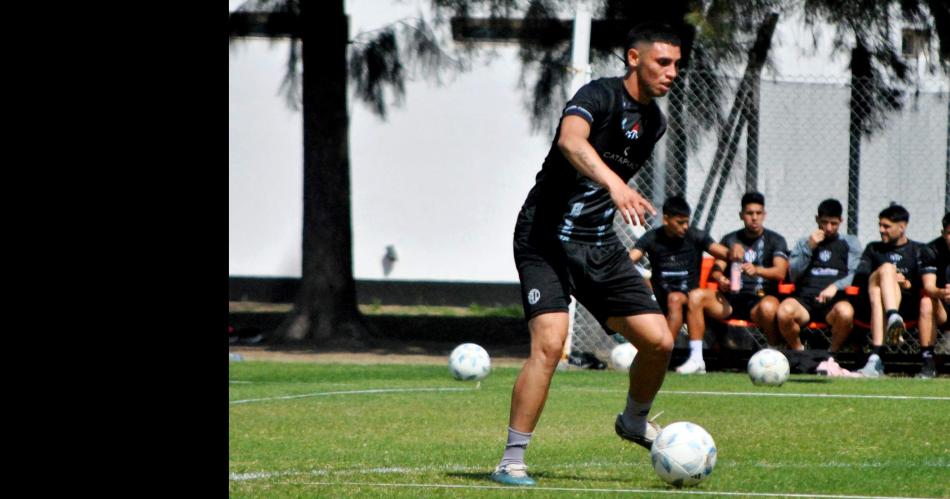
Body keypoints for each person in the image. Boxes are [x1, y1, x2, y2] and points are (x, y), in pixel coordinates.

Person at [491, 22, 682, 486]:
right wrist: (616, 184)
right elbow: (571, 141)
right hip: (544, 240)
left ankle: (634, 420)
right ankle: (511, 460)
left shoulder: (653, 122)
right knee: (551, 345)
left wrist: (615, 193)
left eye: (677, 64)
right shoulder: (597, 95)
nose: (673, 72)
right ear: (634, 59)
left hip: (598, 244)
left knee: (660, 342)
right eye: (663, 62)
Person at [678, 192, 789, 374]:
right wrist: (721, 279)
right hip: (730, 300)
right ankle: (697, 359)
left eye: (758, 213)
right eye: (749, 213)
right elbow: (717, 268)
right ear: (741, 215)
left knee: (769, 307)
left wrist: (757, 270)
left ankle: (774, 356)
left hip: (759, 300)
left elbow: (780, 271)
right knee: (696, 296)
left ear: (764, 215)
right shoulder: (730, 239)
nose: (754, 218)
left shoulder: (775, 240)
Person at [629, 195, 729, 340]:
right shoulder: (652, 238)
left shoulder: (695, 236)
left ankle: (665, 351)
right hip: (661, 301)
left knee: (675, 299)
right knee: (668, 299)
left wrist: (734, 252)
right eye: (680, 222)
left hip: (690, 300)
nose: (685, 227)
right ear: (666, 219)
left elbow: (721, 252)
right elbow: (631, 258)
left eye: (687, 222)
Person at [776, 199, 862, 359]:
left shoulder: (850, 243)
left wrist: (836, 286)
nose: (829, 228)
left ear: (841, 221)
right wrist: (809, 248)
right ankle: (800, 354)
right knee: (783, 312)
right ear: (817, 219)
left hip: (833, 303)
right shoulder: (804, 242)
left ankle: (831, 356)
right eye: (824, 222)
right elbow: (793, 273)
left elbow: (854, 274)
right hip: (804, 301)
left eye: (834, 223)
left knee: (846, 312)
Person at [853, 204, 929, 378]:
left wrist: (905, 284)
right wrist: (886, 275)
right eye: (880, 225)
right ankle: (893, 316)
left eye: (886, 226)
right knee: (886, 270)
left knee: (879, 291)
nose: (881, 230)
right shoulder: (873, 248)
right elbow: (861, 276)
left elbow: (923, 283)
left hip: (905, 305)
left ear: (902, 227)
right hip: (870, 304)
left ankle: (876, 359)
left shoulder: (917, 250)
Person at [917, 212, 950, 378]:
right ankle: (928, 362)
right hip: (943, 308)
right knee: (926, 302)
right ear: (943, 233)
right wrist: (943, 293)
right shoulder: (930, 250)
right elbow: (929, 287)